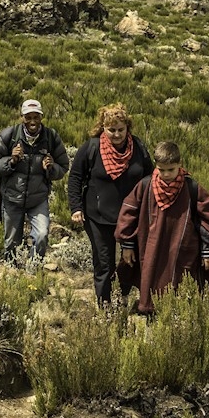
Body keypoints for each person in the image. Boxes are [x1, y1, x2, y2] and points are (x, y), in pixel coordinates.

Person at [115, 141, 209, 315]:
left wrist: (208, 250)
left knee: (182, 289)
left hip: (183, 250)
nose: (166, 174)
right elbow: (128, 213)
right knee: (151, 281)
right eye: (161, 169)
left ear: (180, 164)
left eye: (171, 170)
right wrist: (127, 245)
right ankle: (153, 326)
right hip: (150, 248)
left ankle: (178, 327)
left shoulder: (191, 188)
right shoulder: (145, 186)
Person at [67, 103, 154, 307]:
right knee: (104, 263)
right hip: (98, 216)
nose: (116, 134)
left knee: (131, 260)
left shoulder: (138, 148)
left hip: (130, 217)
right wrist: (76, 207)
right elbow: (75, 178)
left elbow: (150, 178)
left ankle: (123, 296)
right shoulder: (92, 147)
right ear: (102, 128)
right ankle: (105, 306)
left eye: (121, 130)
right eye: (111, 129)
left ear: (128, 128)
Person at [0, 99, 69, 264]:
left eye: (36, 117)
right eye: (28, 117)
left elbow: (64, 166)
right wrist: (11, 161)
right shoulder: (8, 135)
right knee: (11, 243)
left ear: (41, 117)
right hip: (12, 199)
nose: (32, 122)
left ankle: (34, 269)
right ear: (22, 117)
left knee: (42, 235)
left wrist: (51, 168)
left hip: (38, 199)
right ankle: (12, 274)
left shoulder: (51, 137)